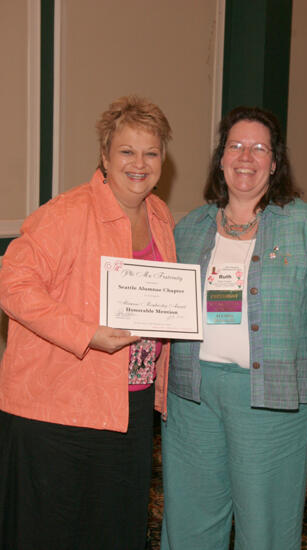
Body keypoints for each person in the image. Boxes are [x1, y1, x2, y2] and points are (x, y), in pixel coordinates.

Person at [160, 106, 307, 550]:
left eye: (259, 148)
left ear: (275, 162)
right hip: (192, 395)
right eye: (235, 145)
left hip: (270, 398)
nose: (245, 156)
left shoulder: (305, 225)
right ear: (221, 158)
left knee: (266, 528)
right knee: (190, 522)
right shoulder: (191, 227)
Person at [0, 95, 176, 550]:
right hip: (60, 407)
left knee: (116, 529)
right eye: (126, 151)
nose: (139, 163)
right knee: (55, 533)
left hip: (129, 406)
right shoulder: (66, 213)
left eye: (151, 152)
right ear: (104, 155)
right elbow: (13, 284)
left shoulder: (159, 216)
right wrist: (87, 334)